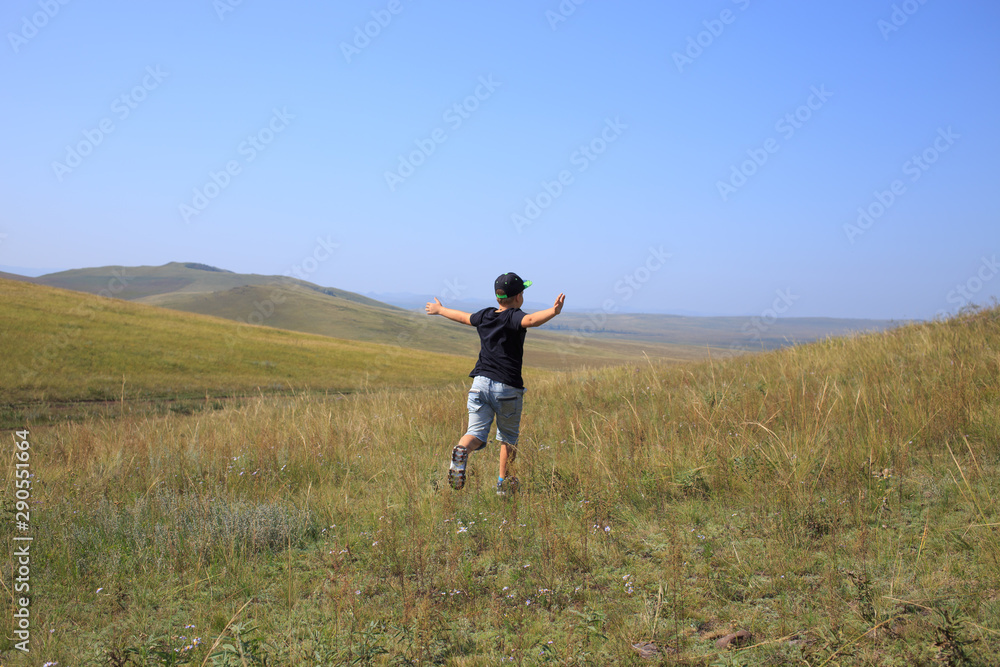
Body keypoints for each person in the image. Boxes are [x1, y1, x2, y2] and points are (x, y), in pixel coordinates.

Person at [425, 273, 565, 495]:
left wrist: (440, 310)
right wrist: (553, 311)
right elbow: (530, 321)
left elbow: (463, 317)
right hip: (507, 388)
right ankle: (504, 483)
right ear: (518, 297)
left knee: (476, 433)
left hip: (479, 384)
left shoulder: (486, 315)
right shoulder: (514, 317)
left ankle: (462, 450)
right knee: (508, 438)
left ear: (498, 297)